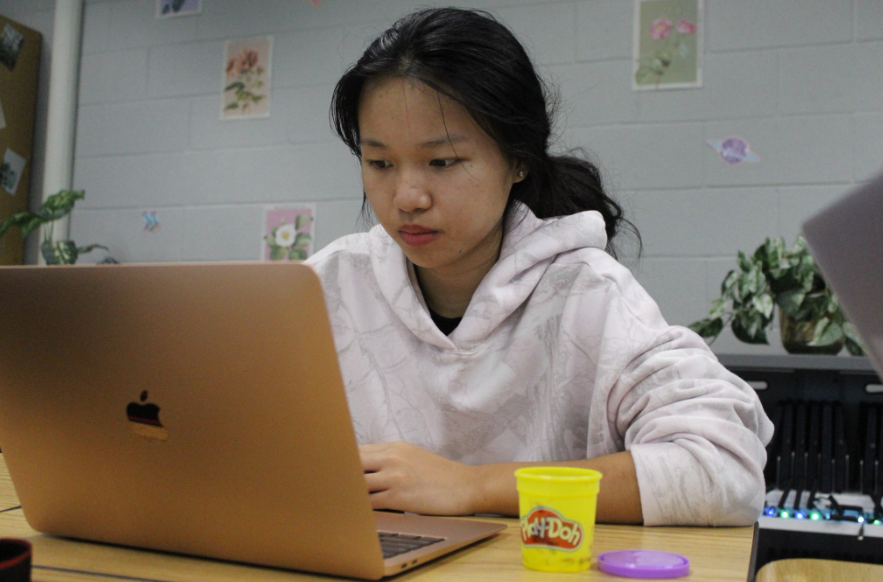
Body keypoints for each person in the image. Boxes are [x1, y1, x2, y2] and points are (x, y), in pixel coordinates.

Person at [306, 7, 773, 526]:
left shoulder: (586, 295)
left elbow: (724, 471)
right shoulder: (325, 288)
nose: (407, 197)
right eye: (380, 164)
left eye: (442, 162)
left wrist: (473, 486)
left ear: (518, 159)